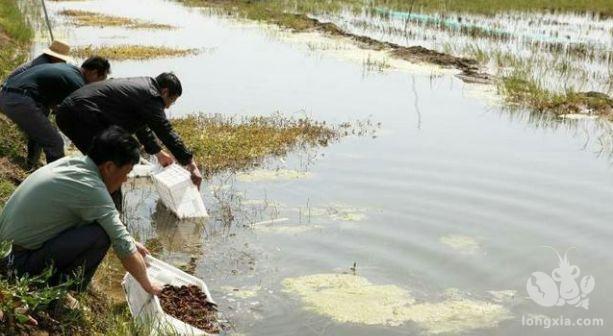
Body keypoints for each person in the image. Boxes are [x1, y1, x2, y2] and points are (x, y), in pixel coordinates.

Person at [0, 126, 163, 299]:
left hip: (5, 253)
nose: (125, 179)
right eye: (126, 173)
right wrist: (148, 284)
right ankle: (60, 292)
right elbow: (122, 245)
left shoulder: (73, 164)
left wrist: (132, 241)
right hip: (14, 265)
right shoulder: (92, 188)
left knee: (101, 225)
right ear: (109, 167)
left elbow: (117, 230)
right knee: (101, 234)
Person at [56, 72, 202, 187]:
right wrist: (191, 164)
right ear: (164, 92)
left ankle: (105, 207)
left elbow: (142, 127)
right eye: (171, 101)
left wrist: (158, 153)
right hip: (79, 115)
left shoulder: (144, 88)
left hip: (73, 112)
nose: (168, 106)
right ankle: (108, 213)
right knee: (110, 167)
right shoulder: (152, 97)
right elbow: (165, 131)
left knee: (105, 165)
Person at [0, 56, 110, 167]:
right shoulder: (78, 83)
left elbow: (56, 105)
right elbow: (85, 116)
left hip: (8, 94)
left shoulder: (68, 69)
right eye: (101, 80)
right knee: (55, 142)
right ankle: (56, 179)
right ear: (95, 73)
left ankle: (31, 165)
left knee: (42, 126)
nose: (97, 86)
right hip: (19, 99)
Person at [2, 39, 72, 82]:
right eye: (62, 59)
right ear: (55, 57)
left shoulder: (42, 60)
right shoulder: (43, 65)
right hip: (13, 93)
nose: (63, 62)